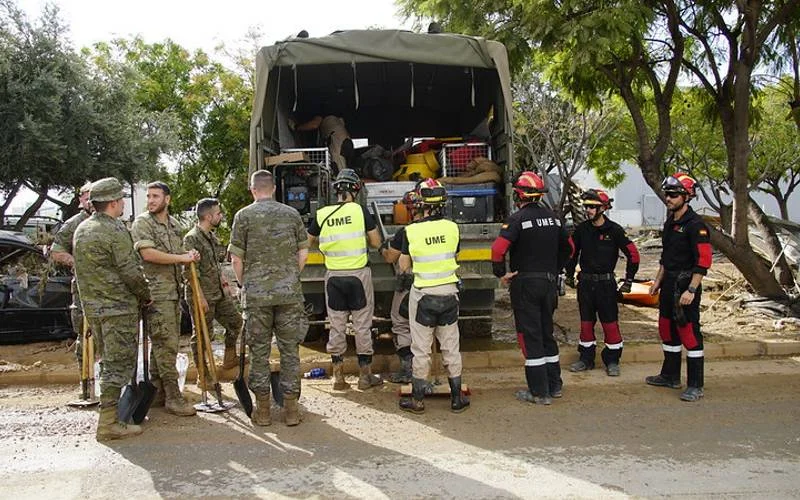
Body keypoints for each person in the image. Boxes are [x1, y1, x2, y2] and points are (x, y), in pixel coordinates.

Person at [73, 177, 152, 441]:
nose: (122, 206)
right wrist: (145, 294)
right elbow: (129, 271)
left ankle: (111, 418)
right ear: (113, 202)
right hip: (118, 309)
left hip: (94, 309)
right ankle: (108, 424)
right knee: (117, 365)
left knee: (108, 360)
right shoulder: (114, 230)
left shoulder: (82, 229)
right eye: (121, 201)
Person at [229, 170, 309, 426]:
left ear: (253, 190)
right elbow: (303, 253)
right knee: (289, 351)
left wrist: (245, 284)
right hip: (288, 294)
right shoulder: (292, 214)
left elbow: (236, 259)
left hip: (256, 297)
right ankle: (291, 410)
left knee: (259, 351)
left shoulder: (243, 216)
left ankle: (263, 411)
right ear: (273, 188)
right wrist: (289, 277)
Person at [490, 171, 572, 406]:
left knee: (531, 335)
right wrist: (554, 269)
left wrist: (501, 274)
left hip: (525, 283)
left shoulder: (517, 220)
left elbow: (497, 250)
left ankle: (538, 392)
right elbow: (570, 248)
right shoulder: (555, 218)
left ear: (519, 195)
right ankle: (554, 385)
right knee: (547, 333)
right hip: (549, 283)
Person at [397, 178, 470, 414]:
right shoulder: (452, 227)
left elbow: (404, 266)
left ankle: (417, 401)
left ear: (421, 203)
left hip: (423, 296)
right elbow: (454, 255)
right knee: (451, 347)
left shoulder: (411, 231)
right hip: (449, 294)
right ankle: (457, 398)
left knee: (421, 349)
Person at [307, 168, 383, 391]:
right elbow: (377, 242)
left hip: (333, 278)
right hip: (358, 275)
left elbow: (307, 242)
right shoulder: (360, 212)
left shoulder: (322, 214)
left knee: (337, 326)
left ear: (336, 192)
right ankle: (364, 377)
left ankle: (338, 378)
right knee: (362, 326)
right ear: (355, 191)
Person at [131, 181, 199, 417]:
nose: (150, 200)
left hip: (173, 292)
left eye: (155, 196)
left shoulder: (174, 225)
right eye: (149, 196)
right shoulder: (142, 223)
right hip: (155, 294)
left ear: (167, 199)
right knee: (166, 345)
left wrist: (189, 257)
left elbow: (179, 255)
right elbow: (148, 254)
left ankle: (157, 392)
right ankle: (173, 397)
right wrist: (181, 258)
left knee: (162, 343)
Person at [646, 173, 711, 402]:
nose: (668, 198)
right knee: (666, 329)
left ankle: (696, 384)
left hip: (686, 286)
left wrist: (691, 290)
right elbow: (666, 257)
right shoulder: (670, 222)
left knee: (689, 335)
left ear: (687, 196)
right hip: (669, 284)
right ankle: (670, 375)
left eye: (673, 194)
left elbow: (703, 262)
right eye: (667, 194)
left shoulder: (696, 226)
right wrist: (657, 281)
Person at [564, 188, 640, 376]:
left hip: (606, 286)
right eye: (587, 206)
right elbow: (571, 253)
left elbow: (633, 255)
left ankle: (612, 361)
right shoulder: (581, 230)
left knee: (610, 324)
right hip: (585, 285)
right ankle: (585, 359)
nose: (588, 210)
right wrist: (568, 274)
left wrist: (629, 280)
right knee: (586, 324)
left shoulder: (614, 230)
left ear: (603, 208)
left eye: (593, 207)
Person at [183, 198, 243, 384]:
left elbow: (214, 266)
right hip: (202, 294)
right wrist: (199, 297)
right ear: (208, 216)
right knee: (202, 335)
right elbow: (190, 272)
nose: (221, 216)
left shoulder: (211, 236)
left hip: (217, 292)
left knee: (235, 322)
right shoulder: (192, 238)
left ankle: (229, 358)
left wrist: (225, 284)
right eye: (218, 213)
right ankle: (204, 374)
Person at [379, 188, 422, 384]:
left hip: (410, 285)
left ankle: (408, 369)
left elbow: (391, 258)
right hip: (436, 284)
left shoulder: (406, 232)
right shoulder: (445, 228)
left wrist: (381, 248)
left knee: (400, 322)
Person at [50, 182, 94, 365]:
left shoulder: (113, 222)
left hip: (109, 288)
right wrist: (77, 263)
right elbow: (56, 252)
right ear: (81, 200)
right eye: (87, 197)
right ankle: (86, 383)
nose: (91, 200)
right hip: (84, 288)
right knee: (85, 334)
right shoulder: (74, 224)